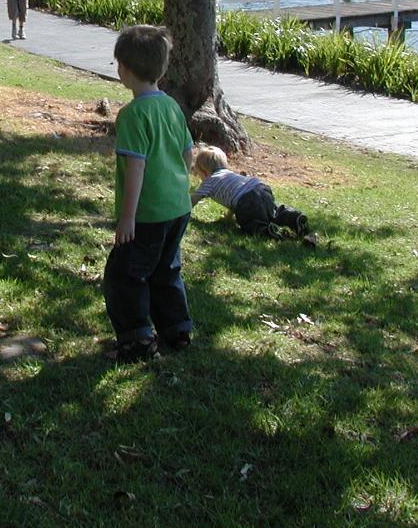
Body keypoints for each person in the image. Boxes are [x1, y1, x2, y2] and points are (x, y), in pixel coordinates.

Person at [103, 25, 194, 363]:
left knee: (125, 275)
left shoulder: (132, 115)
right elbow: (187, 153)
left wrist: (128, 217)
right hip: (177, 207)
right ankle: (177, 330)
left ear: (124, 69)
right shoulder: (171, 106)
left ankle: (137, 339)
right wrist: (176, 182)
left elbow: (136, 169)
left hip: (148, 214)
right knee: (166, 269)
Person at [190, 146, 308, 237]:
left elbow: (194, 199)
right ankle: (293, 217)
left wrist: (183, 212)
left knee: (251, 222)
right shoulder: (229, 174)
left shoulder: (209, 181)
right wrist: (228, 218)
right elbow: (233, 198)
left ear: (203, 171)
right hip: (260, 187)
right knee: (272, 211)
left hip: (246, 200)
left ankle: (266, 231)